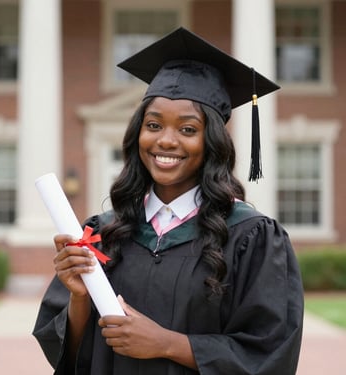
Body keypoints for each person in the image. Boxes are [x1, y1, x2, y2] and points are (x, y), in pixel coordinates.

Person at [33, 27, 303, 375]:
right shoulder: (102, 234)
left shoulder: (251, 238)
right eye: (154, 125)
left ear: (213, 142)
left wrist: (167, 344)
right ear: (138, 134)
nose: (166, 141)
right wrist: (80, 296)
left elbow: (271, 352)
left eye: (188, 129)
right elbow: (68, 353)